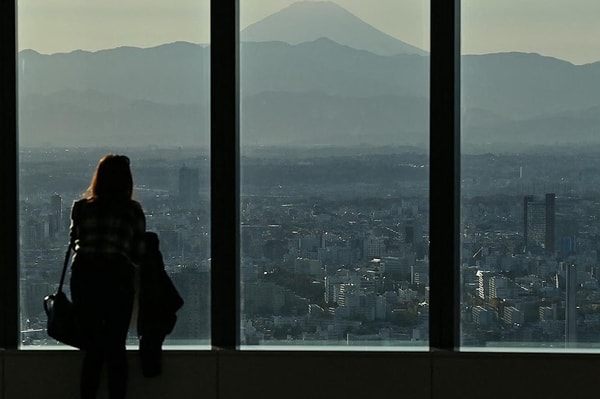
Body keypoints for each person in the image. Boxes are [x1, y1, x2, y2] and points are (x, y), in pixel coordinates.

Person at [69, 154, 146, 399]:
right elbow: (137, 254)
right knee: (116, 348)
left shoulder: (81, 208)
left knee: (93, 349)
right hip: (117, 280)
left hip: (85, 278)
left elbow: (75, 243)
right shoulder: (132, 211)